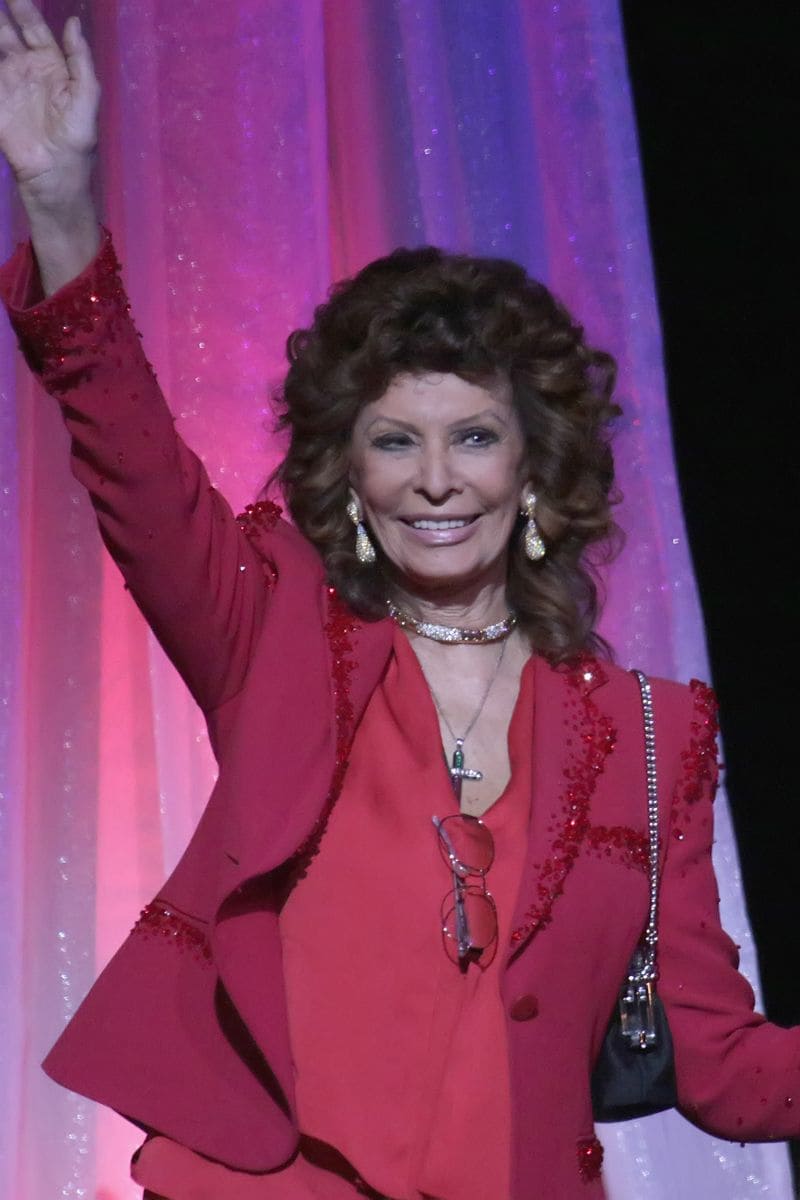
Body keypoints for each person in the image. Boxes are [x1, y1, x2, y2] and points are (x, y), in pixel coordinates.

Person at [1, 2, 798, 1198]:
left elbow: (722, 1069)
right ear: (349, 472)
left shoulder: (650, 735)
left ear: (533, 465)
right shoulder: (279, 632)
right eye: (394, 441)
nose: (435, 479)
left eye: (473, 436)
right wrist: (61, 209)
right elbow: (136, 468)